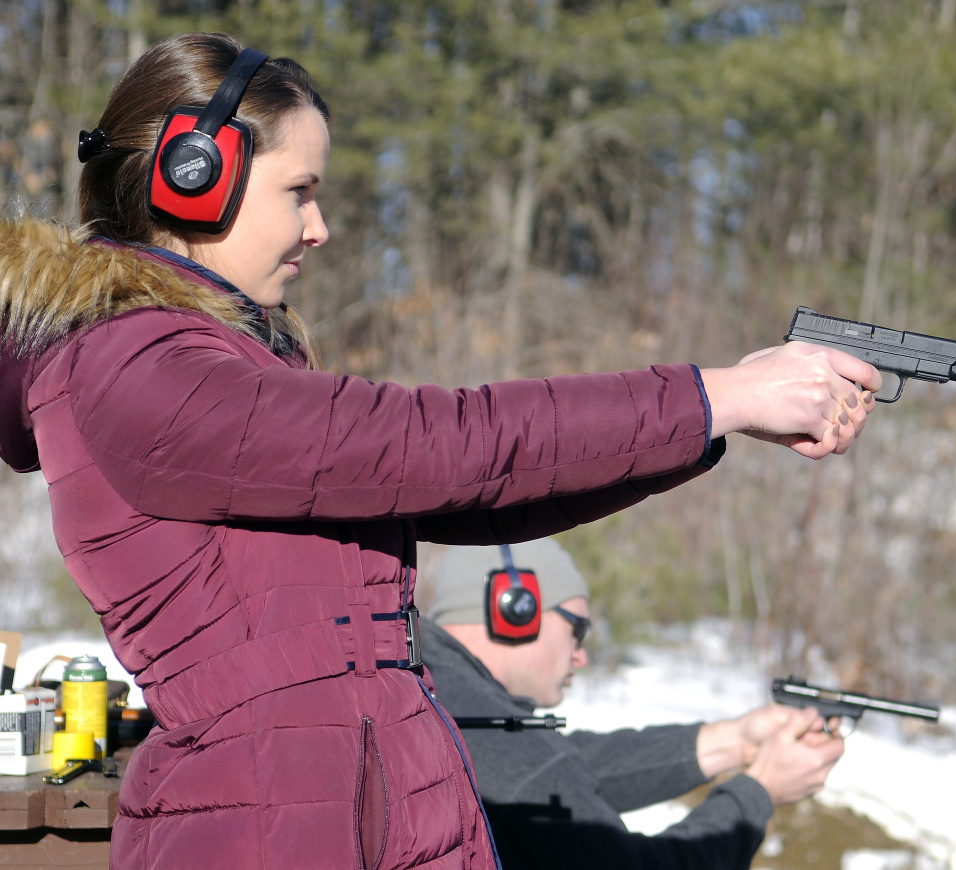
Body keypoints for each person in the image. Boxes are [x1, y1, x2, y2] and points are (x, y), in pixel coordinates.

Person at [0, 31, 878, 870]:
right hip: (273, 830)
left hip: (331, 813)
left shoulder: (192, 364)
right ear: (195, 179)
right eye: (299, 191)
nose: (320, 229)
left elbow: (474, 489)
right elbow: (439, 443)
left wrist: (713, 417)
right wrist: (713, 391)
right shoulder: (133, 362)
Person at [422, 538, 846, 870]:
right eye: (578, 630)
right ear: (517, 608)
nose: (581, 655)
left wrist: (732, 742)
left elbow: (570, 766)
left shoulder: (436, 693)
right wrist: (759, 791)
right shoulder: (506, 751)